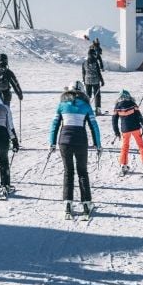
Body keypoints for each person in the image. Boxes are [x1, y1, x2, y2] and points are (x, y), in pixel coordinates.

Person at [49, 81, 101, 218]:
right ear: (82, 92)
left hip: (64, 142)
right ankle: (86, 203)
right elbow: (94, 125)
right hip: (80, 141)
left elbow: (54, 124)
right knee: (82, 171)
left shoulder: (62, 105)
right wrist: (98, 144)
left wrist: (52, 143)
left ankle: (68, 203)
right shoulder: (86, 106)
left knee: (68, 171)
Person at [113, 90, 143, 175]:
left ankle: (123, 165)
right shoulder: (132, 103)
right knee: (141, 145)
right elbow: (139, 116)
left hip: (125, 130)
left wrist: (116, 132)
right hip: (135, 128)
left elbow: (114, 120)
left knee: (125, 146)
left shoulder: (117, 106)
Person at [82, 48, 105, 114]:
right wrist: (102, 81)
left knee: (88, 95)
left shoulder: (84, 63)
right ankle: (98, 109)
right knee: (97, 95)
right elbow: (98, 72)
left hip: (87, 81)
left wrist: (84, 81)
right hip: (95, 81)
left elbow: (83, 73)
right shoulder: (95, 62)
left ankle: (87, 109)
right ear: (93, 54)